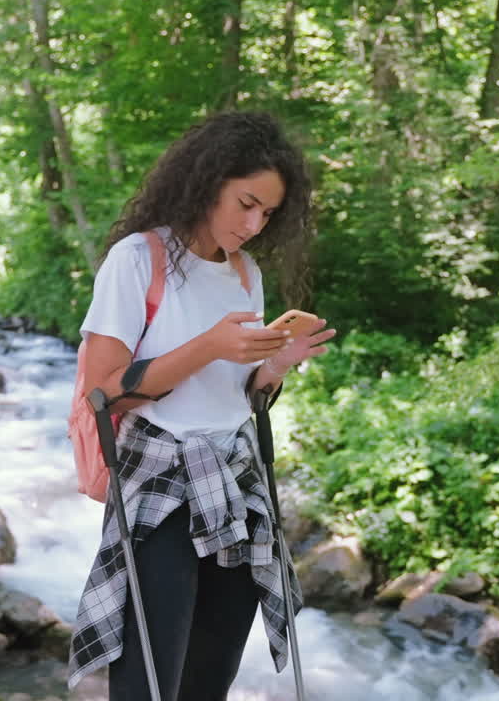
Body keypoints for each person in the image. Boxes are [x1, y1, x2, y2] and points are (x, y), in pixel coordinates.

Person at [66, 111, 334, 701]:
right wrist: (209, 345)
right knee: (148, 681)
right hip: (158, 486)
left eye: (268, 213)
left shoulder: (245, 272)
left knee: (210, 680)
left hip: (236, 483)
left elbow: (239, 396)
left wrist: (276, 365)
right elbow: (104, 390)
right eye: (246, 203)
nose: (254, 224)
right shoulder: (138, 260)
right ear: (208, 181)